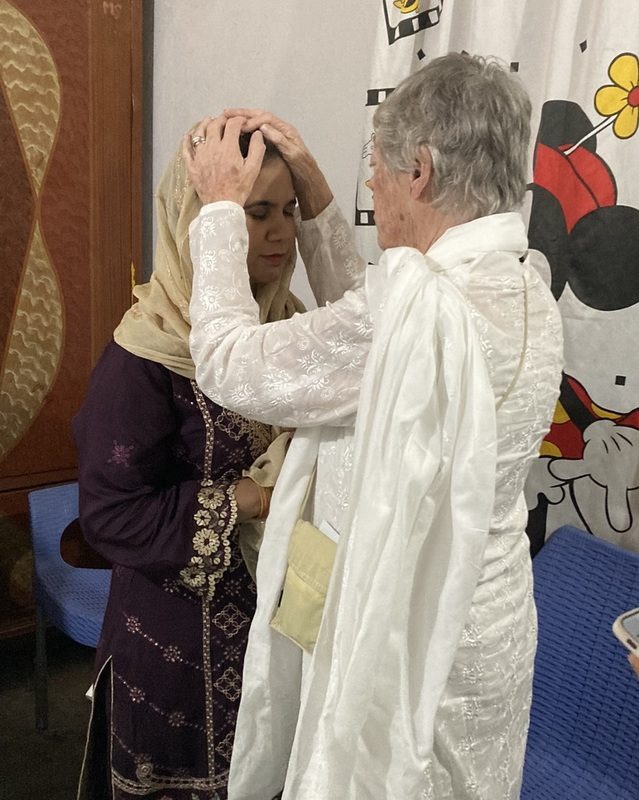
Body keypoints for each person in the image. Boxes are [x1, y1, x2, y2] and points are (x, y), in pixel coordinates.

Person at [186, 53, 564, 799]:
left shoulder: (413, 305)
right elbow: (376, 354)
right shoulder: (526, 287)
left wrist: (220, 210)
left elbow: (230, 361)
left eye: (376, 171)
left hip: (402, 633)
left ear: (417, 170)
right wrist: (322, 201)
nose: (369, 188)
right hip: (487, 627)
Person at [73, 134, 304, 800]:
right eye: (255, 212)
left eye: (289, 210)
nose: (279, 232)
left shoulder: (292, 331)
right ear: (194, 224)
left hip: (276, 633)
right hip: (175, 652)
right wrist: (250, 499)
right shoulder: (145, 357)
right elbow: (111, 513)